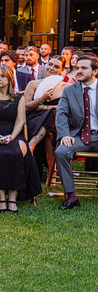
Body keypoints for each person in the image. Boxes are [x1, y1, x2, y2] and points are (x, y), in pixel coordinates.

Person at [0, 65, 42, 212]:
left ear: (9, 79)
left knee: (16, 153)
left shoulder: (18, 97)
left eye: (2, 76)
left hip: (13, 134)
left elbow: (20, 121)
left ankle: (12, 197)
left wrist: (12, 136)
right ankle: (0, 196)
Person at [54, 54, 98, 210]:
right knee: (61, 152)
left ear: (95, 71)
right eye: (77, 67)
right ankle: (71, 197)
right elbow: (62, 114)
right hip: (80, 136)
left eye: (84, 68)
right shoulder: (69, 91)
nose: (78, 71)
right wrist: (65, 134)